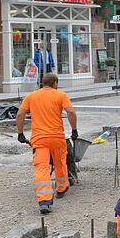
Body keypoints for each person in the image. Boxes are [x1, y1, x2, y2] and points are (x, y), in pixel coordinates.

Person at [15, 72, 77, 214]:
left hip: (39, 139)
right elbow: (71, 112)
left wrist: (20, 133)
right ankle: (61, 188)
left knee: (41, 168)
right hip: (57, 138)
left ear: (43, 83)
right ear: (55, 83)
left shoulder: (31, 96)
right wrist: (74, 130)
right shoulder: (61, 95)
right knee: (60, 162)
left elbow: (20, 114)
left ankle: (44, 200)